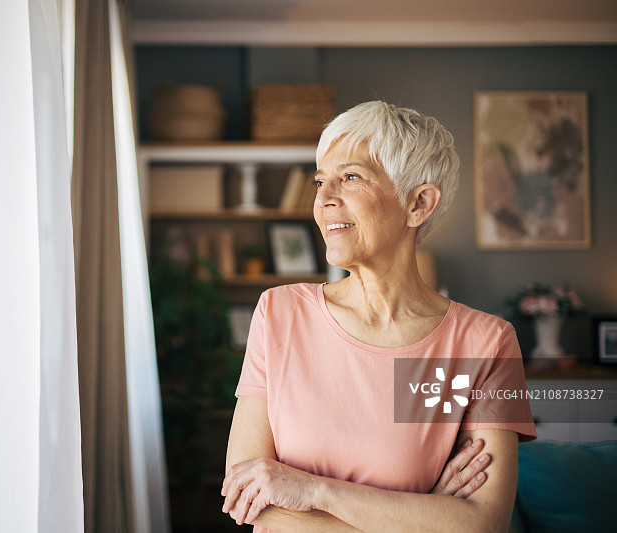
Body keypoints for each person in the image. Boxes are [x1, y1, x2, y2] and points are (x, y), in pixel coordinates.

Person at [222, 101, 536, 532]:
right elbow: (248, 501)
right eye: (320, 180)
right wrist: (418, 516)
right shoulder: (279, 313)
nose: (324, 199)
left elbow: (482, 525)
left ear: (418, 204)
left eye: (350, 177)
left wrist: (313, 491)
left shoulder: (485, 344)